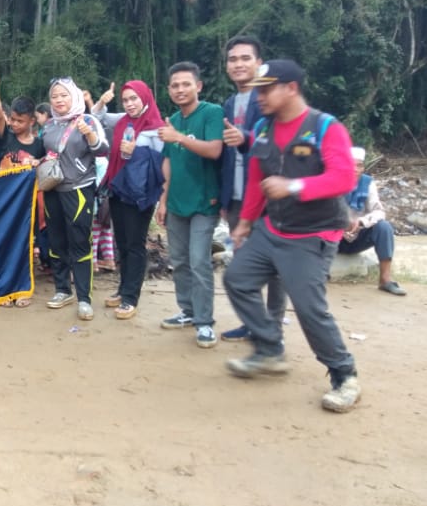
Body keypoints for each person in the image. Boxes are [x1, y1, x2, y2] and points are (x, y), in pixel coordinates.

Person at [223, 60, 362, 413]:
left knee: (308, 308)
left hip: (312, 234)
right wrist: (244, 224)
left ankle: (344, 376)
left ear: (291, 89)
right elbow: (256, 180)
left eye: (267, 89)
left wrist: (294, 186)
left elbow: (344, 178)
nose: (260, 96)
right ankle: (270, 349)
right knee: (237, 279)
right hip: (272, 230)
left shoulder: (325, 127)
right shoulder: (264, 130)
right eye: (258, 90)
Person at [218, 37, 287, 341]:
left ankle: (272, 327)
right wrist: (222, 197)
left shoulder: (272, 101)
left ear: (259, 63)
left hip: (268, 198)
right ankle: (253, 322)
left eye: (246, 58)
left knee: (274, 266)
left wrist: (245, 137)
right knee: (246, 264)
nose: (239, 64)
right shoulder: (230, 104)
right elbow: (224, 156)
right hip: (236, 198)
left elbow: (277, 146)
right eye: (233, 59)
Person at [156, 62, 225, 348]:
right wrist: (162, 200)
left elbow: (215, 149)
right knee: (180, 261)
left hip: (204, 202)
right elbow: (169, 161)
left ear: (198, 86)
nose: (180, 89)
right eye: (175, 85)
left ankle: (205, 322)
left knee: (199, 261)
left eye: (186, 84)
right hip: (176, 202)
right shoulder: (173, 118)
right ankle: (188, 310)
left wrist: (179, 138)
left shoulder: (211, 113)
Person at [92, 80, 165, 319]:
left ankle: (131, 297)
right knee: (122, 242)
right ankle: (123, 289)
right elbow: (97, 118)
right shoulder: (122, 121)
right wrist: (103, 100)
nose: (130, 104)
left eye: (134, 98)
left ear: (145, 97)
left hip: (140, 195)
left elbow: (163, 162)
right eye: (126, 100)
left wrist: (137, 152)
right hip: (118, 188)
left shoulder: (156, 126)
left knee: (135, 244)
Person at [42, 77, 109, 320]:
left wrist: (90, 134)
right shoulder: (49, 125)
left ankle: (84, 298)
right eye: (54, 96)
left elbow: (103, 150)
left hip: (79, 189)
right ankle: (62, 290)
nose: (59, 100)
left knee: (80, 242)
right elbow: (45, 151)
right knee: (57, 242)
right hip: (52, 190)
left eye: (64, 95)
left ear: (74, 97)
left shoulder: (88, 120)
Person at [338, 147, 407, 296]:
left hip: (358, 236)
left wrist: (361, 222)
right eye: (351, 165)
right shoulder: (332, 180)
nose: (356, 169)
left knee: (384, 227)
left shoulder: (368, 183)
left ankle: (385, 280)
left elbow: (379, 212)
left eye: (359, 165)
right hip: (333, 237)